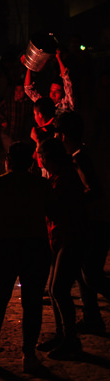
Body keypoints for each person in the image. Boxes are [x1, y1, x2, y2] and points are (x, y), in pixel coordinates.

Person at [0, 141, 50, 373]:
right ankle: (28, 355)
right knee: (32, 303)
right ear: (30, 162)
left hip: (2, 246)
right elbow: (54, 211)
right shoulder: (40, 184)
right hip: (34, 246)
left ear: (8, 161)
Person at [55, 112, 110, 334]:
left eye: (58, 134)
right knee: (84, 271)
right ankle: (92, 318)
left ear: (64, 135)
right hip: (95, 220)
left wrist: (73, 201)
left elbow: (95, 190)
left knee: (92, 275)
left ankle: (92, 318)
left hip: (98, 221)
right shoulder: (81, 154)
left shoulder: (80, 157)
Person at [36, 137, 86, 358]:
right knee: (55, 289)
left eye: (41, 158)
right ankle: (62, 335)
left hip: (71, 237)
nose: (40, 162)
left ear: (48, 158)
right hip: (59, 238)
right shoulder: (58, 177)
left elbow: (60, 210)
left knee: (59, 289)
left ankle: (71, 339)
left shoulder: (65, 179)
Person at [24, 48, 74, 116]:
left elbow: (67, 79)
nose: (53, 95)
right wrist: (29, 65)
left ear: (63, 92)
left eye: (57, 92)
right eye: (51, 91)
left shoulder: (67, 104)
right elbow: (28, 89)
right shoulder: (45, 104)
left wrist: (58, 58)